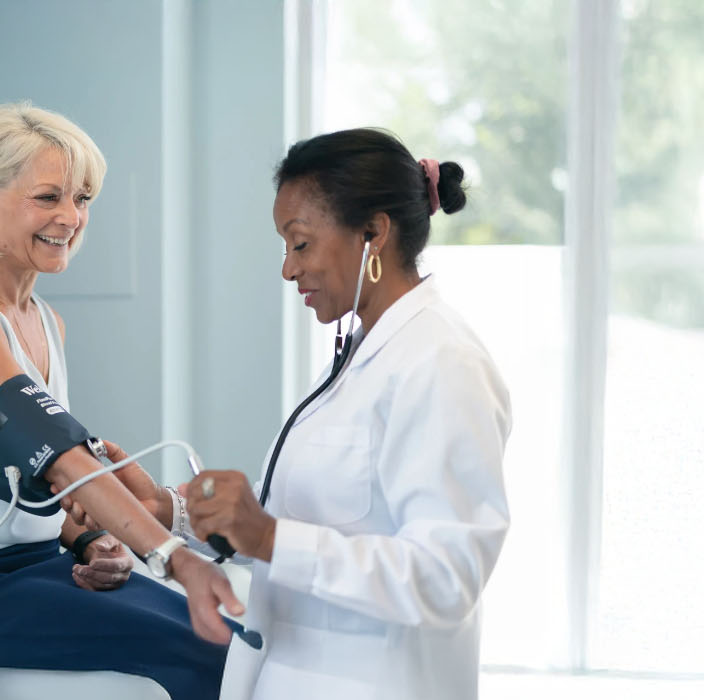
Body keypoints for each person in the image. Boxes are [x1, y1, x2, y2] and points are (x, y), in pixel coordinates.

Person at [76, 127, 512, 700]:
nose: (287, 269)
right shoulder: (363, 355)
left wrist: (270, 537)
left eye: (300, 243)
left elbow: (446, 577)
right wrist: (165, 509)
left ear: (373, 233)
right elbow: (302, 518)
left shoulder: (440, 363)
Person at [0, 102, 243, 700]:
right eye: (48, 197)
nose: (71, 217)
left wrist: (91, 541)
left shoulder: (48, 322)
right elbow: (64, 458)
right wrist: (173, 557)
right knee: (203, 653)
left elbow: (37, 492)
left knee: (227, 637)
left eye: (83, 198)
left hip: (38, 564)